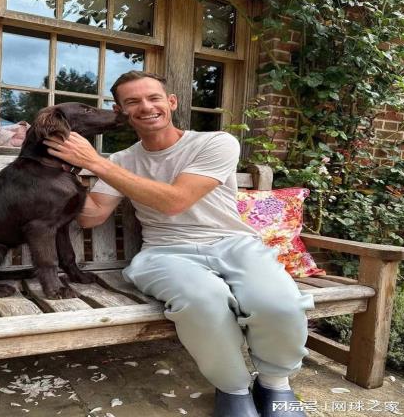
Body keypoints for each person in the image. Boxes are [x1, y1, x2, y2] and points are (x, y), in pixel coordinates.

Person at [43, 71, 314, 417]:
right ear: (121, 111)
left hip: (234, 244)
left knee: (278, 303)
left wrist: (94, 162)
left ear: (171, 102)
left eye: (154, 97)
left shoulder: (216, 143)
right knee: (204, 303)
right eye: (132, 102)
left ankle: (275, 384)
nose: (146, 107)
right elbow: (91, 216)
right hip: (165, 253)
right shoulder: (122, 161)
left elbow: (176, 200)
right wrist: (50, 172)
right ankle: (233, 389)